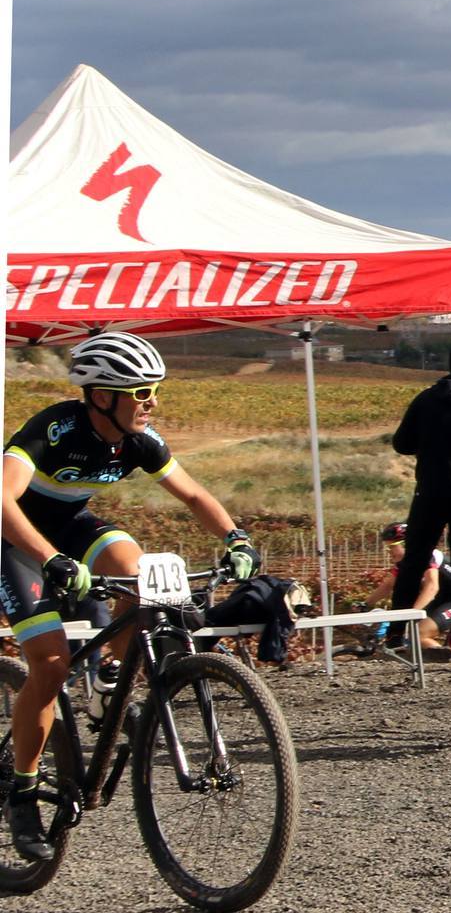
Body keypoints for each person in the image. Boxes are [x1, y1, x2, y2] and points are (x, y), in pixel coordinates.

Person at [2, 332, 261, 859]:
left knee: (139, 571)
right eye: (141, 393)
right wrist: (50, 560)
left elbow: (192, 493)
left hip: (71, 526)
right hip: (15, 538)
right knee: (49, 668)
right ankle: (23, 793)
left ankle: (109, 677)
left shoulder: (140, 439)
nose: (152, 403)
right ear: (101, 397)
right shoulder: (55, 429)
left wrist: (237, 538)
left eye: (154, 391)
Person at [390, 339, 451, 622]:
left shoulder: (426, 398)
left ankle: (396, 631)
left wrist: (429, 446)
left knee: (414, 559)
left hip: (430, 488)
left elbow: (401, 443)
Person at [377, 521, 451, 647]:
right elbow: (387, 586)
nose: (389, 551)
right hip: (442, 599)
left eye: (391, 547)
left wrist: (412, 613)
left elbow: (432, 587)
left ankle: (445, 662)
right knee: (412, 635)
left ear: (405, 543)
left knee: (419, 634)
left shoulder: (426, 555)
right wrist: (365, 604)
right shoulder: (404, 562)